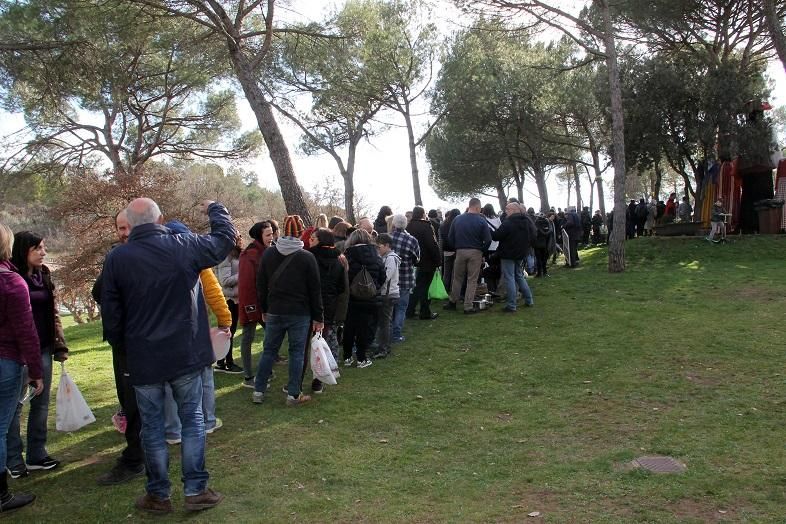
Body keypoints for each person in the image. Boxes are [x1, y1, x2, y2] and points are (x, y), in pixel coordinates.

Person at [101, 198, 235, 514]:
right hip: (184, 353)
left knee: (154, 426)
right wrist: (216, 209)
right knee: (191, 420)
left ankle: (160, 494)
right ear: (160, 219)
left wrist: (125, 348)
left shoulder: (117, 259)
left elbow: (111, 315)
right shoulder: (184, 246)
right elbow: (225, 239)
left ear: (130, 226)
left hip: (145, 357)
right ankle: (194, 490)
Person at [161, 220, 232, 443]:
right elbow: (214, 294)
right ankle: (207, 421)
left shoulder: (157, 262)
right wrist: (225, 321)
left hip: (166, 334)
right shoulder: (197, 260)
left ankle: (173, 429)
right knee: (204, 376)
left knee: (169, 380)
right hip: (195, 330)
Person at [7, 231, 68, 479]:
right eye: (38, 249)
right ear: (24, 251)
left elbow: (53, 312)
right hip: (16, 352)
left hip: (43, 347)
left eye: (44, 247)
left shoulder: (44, 275)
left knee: (40, 403)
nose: (43, 253)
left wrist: (60, 345)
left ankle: (37, 454)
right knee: (14, 407)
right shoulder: (11, 279)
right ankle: (13, 459)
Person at [91, 210, 146, 486]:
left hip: (141, 342)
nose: (124, 233)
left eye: (128, 227)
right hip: (123, 341)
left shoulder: (145, 256)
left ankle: (136, 458)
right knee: (129, 399)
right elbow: (98, 290)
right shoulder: (115, 256)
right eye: (120, 228)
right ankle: (139, 454)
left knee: (138, 401)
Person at [252, 216, 323, 405]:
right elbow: (315, 290)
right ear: (300, 233)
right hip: (300, 313)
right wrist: (319, 317)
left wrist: (264, 309)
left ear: (281, 232)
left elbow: (261, 285)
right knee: (297, 352)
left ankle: (258, 391)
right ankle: (293, 394)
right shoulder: (307, 257)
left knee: (269, 351)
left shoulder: (268, 254)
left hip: (275, 310)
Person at [0, 222, 42, 512]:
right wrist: (37, 372)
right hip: (5, 360)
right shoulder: (11, 282)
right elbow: (25, 330)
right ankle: (2, 495)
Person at [237, 221, 274, 388]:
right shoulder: (249, 254)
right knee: (248, 338)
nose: (271, 237)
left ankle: (266, 370)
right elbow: (245, 284)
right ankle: (248, 376)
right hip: (253, 303)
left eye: (272, 233)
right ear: (260, 235)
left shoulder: (268, 252)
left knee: (272, 337)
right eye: (268, 234)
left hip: (266, 303)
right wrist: (251, 308)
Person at [342, 229, 385, 368]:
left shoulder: (347, 256)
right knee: (364, 328)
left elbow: (343, 277)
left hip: (351, 298)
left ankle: (347, 356)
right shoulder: (376, 256)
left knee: (349, 327)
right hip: (370, 298)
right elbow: (382, 277)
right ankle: (361, 358)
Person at [443, 198, 491, 314]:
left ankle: (453, 301)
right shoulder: (481, 220)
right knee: (472, 279)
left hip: (460, 251)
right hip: (475, 252)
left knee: (457, 278)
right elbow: (488, 239)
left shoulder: (457, 219)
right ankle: (468, 306)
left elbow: (450, 237)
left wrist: (456, 248)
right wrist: (482, 251)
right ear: (477, 207)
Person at [309, 228, 346, 366]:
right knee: (329, 334)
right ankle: (332, 363)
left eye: (313, 238)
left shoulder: (309, 258)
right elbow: (342, 286)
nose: (309, 240)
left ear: (321, 241)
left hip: (312, 303)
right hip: (331, 302)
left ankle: (319, 366)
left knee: (315, 336)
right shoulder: (339, 259)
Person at [492, 203, 535, 312]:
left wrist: (489, 231)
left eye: (507, 209)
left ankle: (511, 305)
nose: (505, 211)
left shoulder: (508, 222)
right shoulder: (526, 221)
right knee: (519, 276)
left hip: (508, 254)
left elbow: (496, 236)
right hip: (520, 253)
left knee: (510, 278)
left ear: (512, 210)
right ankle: (529, 300)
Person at [405, 206, 440, 321]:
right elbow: (432, 245)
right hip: (426, 261)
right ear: (422, 214)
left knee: (417, 287)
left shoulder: (408, 226)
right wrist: (437, 260)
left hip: (412, 261)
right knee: (424, 287)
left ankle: (410, 310)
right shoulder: (426, 226)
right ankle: (425, 312)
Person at [215, 232, 243, 374]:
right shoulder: (226, 255)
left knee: (230, 331)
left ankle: (221, 362)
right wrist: (243, 273)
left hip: (237, 299)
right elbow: (224, 281)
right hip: (230, 299)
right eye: (238, 237)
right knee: (229, 332)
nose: (241, 239)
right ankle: (228, 363)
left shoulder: (238, 254)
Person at [390, 214, 420, 343]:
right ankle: (396, 335)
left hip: (390, 278)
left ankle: (387, 332)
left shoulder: (387, 238)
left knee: (390, 308)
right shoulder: (412, 240)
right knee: (402, 308)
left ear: (393, 224)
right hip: (405, 277)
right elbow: (417, 259)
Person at [373, 233, 399, 360]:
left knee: (384, 323)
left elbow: (386, 276)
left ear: (387, 246)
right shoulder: (386, 257)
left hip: (388, 294)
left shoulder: (390, 258)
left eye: (380, 247)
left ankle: (383, 348)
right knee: (384, 323)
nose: (378, 249)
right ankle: (383, 346)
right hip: (386, 293)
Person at [481, 204, 501, 293]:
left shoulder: (483, 219)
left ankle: (490, 287)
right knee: (496, 267)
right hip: (496, 245)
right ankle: (496, 286)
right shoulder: (497, 219)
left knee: (487, 268)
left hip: (487, 246)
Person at [439, 209, 460, 292]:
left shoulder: (443, 224)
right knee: (455, 273)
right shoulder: (457, 224)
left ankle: (445, 289)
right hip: (456, 249)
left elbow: (442, 239)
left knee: (446, 272)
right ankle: (453, 289)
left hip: (446, 250)